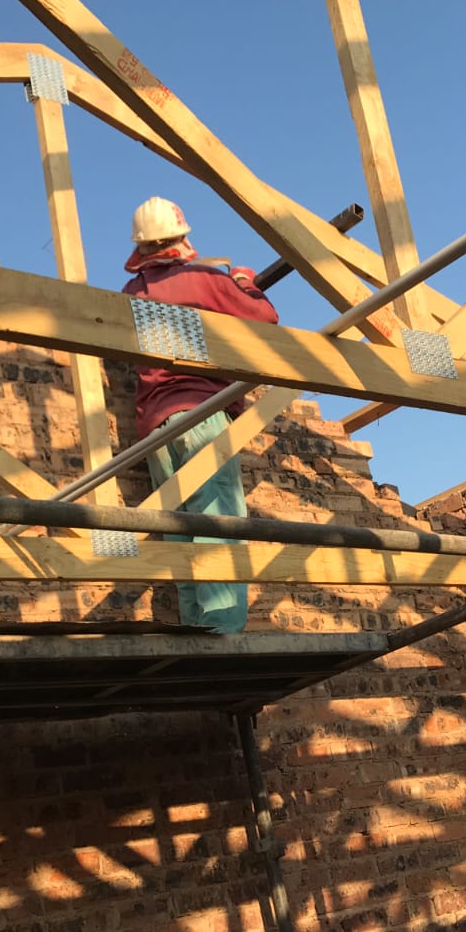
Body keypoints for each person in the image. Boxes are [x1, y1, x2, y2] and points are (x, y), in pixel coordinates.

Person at [121, 196, 279, 634]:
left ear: (141, 246)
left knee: (181, 531)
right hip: (201, 414)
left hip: (155, 428)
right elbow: (264, 318)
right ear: (181, 238)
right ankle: (221, 632)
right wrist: (244, 282)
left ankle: (195, 630)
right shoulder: (204, 280)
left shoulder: (133, 293)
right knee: (217, 524)